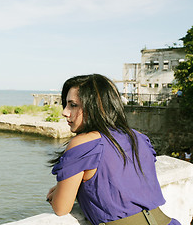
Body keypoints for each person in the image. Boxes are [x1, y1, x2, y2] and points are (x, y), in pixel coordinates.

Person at [46, 74, 180, 225]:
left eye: (73, 105)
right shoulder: (138, 137)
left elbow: (61, 208)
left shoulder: (83, 144)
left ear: (96, 106)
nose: (65, 112)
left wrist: (59, 191)